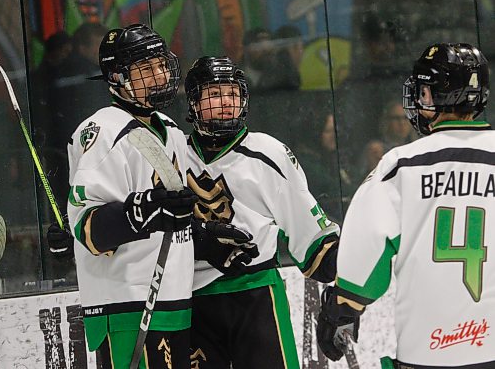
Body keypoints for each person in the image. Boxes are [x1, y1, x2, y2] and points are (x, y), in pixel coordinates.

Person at [66, 24, 256, 369]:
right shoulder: (104, 131)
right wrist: (149, 207)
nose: (159, 75)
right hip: (128, 305)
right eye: (145, 69)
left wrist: (204, 238)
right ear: (117, 77)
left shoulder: (168, 130)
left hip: (172, 301)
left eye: (161, 65)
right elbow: (88, 230)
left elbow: (172, 216)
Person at [316, 43, 495, 368]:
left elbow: (365, 247)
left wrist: (344, 304)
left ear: (438, 96)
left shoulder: (402, 164)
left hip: (429, 349)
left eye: (424, 91)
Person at [184, 56, 340, 369]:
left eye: (232, 94)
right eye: (214, 94)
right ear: (194, 102)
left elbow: (312, 236)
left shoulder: (267, 153)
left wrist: (345, 293)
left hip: (255, 297)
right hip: (189, 302)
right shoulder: (173, 154)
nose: (226, 103)